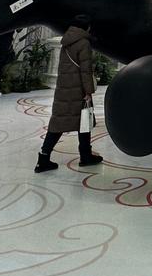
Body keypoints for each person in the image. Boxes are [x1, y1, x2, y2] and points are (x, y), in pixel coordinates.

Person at [35, 24, 103, 172]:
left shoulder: (66, 41)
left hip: (64, 89)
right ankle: (85, 155)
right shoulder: (84, 43)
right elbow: (86, 70)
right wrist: (88, 91)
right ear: (87, 28)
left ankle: (44, 158)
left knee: (59, 122)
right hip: (78, 90)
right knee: (84, 121)